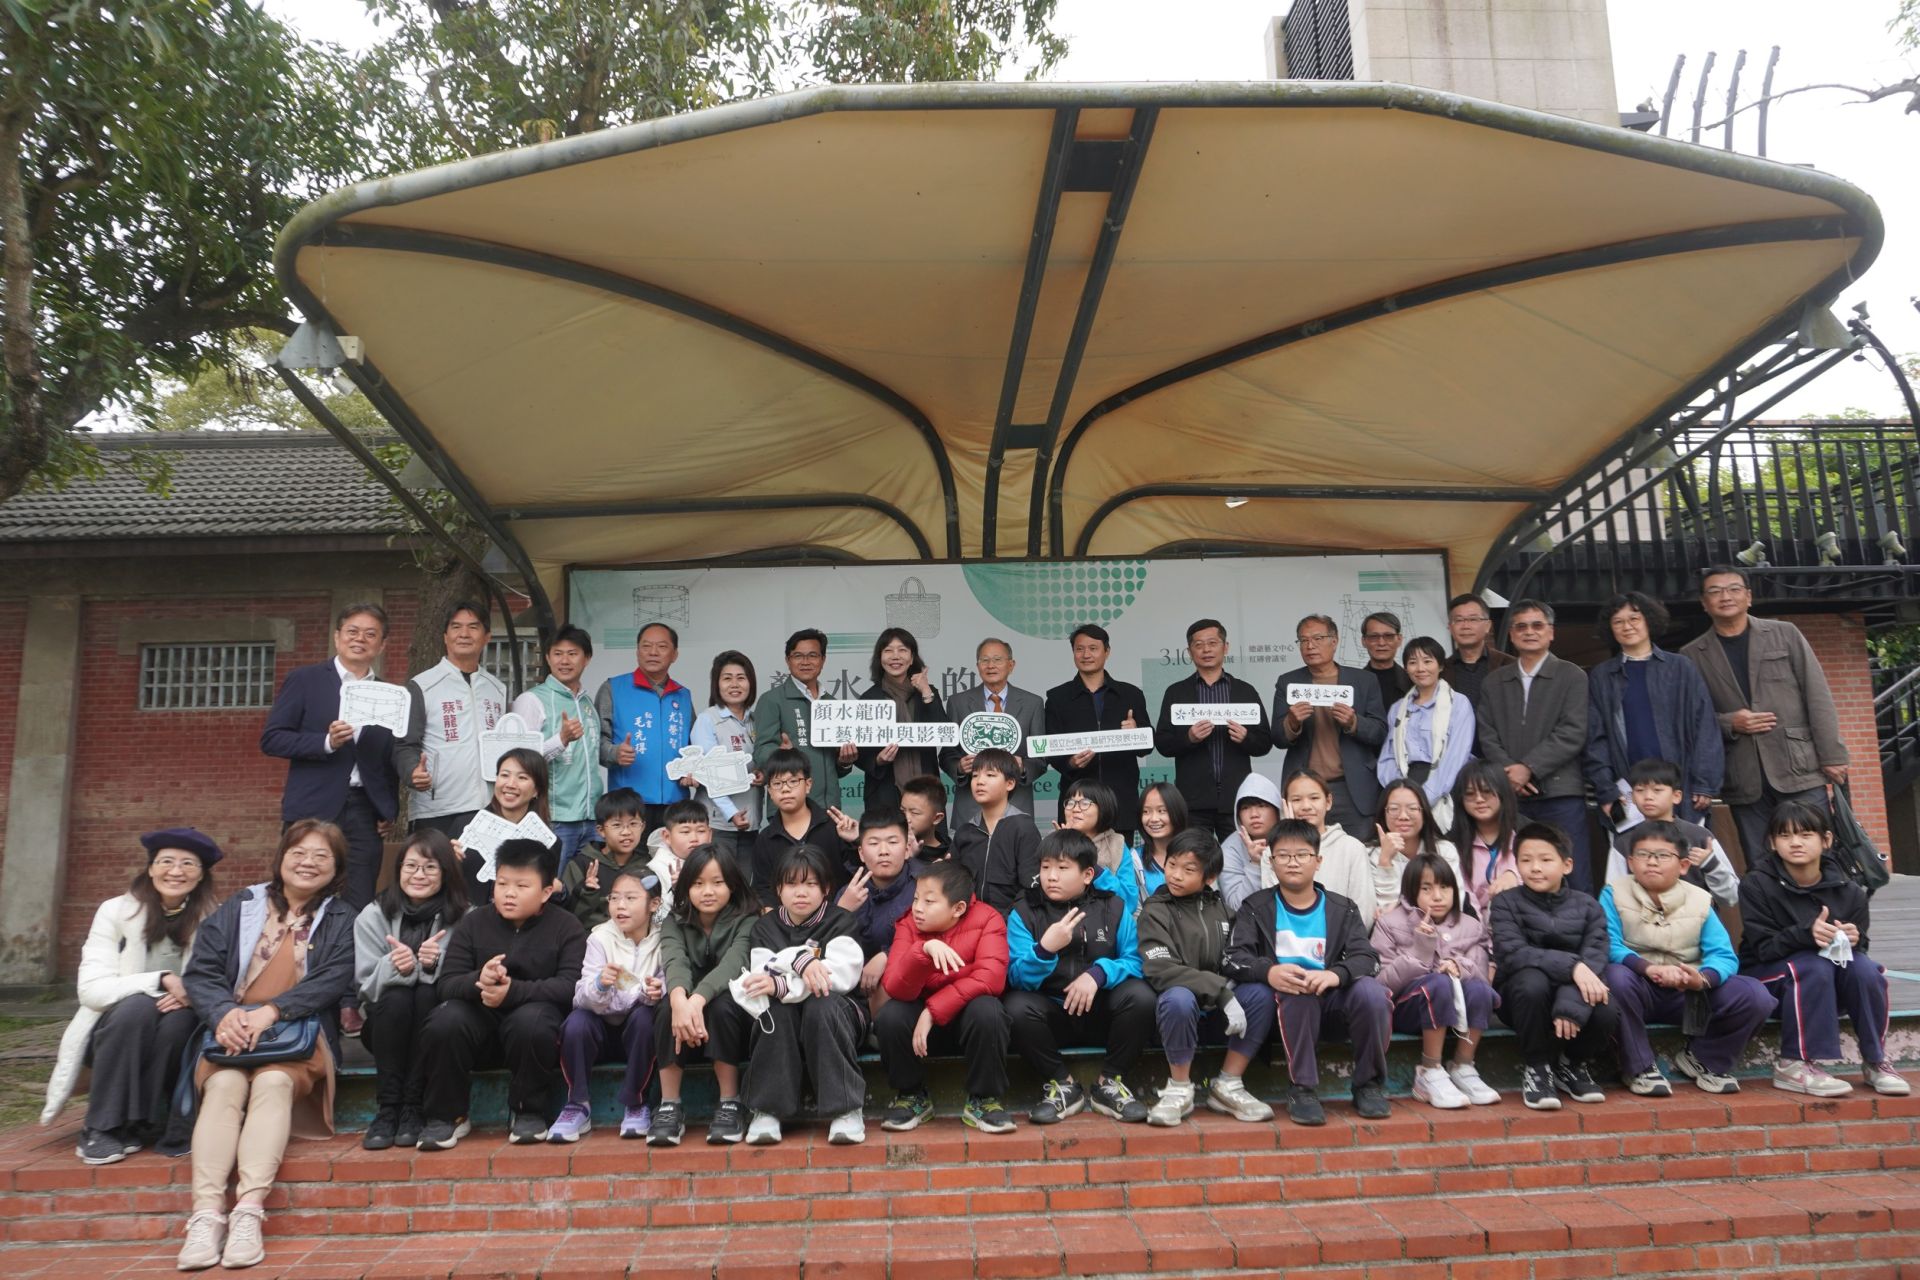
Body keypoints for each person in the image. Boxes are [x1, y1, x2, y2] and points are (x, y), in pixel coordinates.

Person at [175, 821, 354, 1272]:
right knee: (225, 1087)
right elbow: (201, 971)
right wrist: (223, 1014)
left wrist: (272, 1012)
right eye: (299, 852)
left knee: (273, 1083)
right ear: (281, 858)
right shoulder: (242, 905)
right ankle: (205, 1215)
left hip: (298, 1038)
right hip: (232, 1036)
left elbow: (334, 979)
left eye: (321, 856)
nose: (308, 862)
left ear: (336, 869)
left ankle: (248, 1212)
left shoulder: (342, 918)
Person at [45, 827, 221, 1164]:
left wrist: (192, 994)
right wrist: (163, 979)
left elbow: (222, 980)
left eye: (188, 864)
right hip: (116, 1027)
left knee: (178, 1022)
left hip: (179, 1024)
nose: (176, 871)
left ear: (201, 875)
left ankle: (142, 1122)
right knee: (137, 1008)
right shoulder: (115, 912)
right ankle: (102, 1126)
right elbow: (91, 990)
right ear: (150, 868)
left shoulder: (214, 918)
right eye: (166, 861)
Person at [416, 838, 586, 1151]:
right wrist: (478, 979)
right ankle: (447, 1115)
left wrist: (513, 992)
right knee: (444, 1019)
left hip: (532, 1029)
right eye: (502, 883)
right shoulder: (473, 922)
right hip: (479, 1023)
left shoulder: (567, 927)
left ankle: (528, 1111)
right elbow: (447, 983)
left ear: (546, 891)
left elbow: (571, 986)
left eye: (522, 886)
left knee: (532, 1020)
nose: (509, 893)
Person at [1223, 818, 1391, 1126]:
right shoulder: (1255, 907)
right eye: (1284, 856)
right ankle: (1302, 1089)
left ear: (1318, 861)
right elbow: (1232, 957)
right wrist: (1269, 972)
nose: (1293, 862)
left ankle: (1368, 1085)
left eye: (1302, 855)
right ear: (1271, 862)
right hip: (1283, 1010)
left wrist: (1335, 974)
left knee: (1371, 993)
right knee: (1297, 993)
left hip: (1334, 1002)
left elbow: (1368, 958)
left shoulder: (1343, 908)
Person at [1681, 566, 1849, 866]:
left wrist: (1832, 755)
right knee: (1761, 861)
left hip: (1798, 765)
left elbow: (1817, 694)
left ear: (1748, 597)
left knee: (1817, 853)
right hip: (1743, 773)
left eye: (1734, 589)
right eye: (1715, 591)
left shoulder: (1785, 634)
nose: (1725, 596)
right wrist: (1730, 722)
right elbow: (1691, 717)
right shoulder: (1692, 654)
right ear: (1704, 603)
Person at [1738, 801, 1907, 1098]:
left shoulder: (1849, 889)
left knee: (1866, 969)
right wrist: (1807, 934)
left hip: (1825, 986)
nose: (1795, 842)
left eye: (1805, 834)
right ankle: (1794, 1064)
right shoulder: (1756, 884)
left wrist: (1854, 939)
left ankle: (1876, 1060)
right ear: (1772, 842)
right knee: (1810, 966)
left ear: (1825, 840)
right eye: (1785, 835)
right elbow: (1763, 948)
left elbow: (1860, 949)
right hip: (1769, 981)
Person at [1602, 821, 1772, 1098]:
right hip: (1638, 989)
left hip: (1688, 993)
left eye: (1662, 855)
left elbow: (1723, 955)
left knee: (1755, 995)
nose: (1652, 862)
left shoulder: (1700, 900)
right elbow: (1608, 944)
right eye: (1643, 855)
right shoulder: (1613, 893)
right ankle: (1639, 1068)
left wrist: (1702, 979)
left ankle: (1705, 1059)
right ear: (1631, 862)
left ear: (1683, 865)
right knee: (1614, 976)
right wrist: (1648, 968)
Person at [1003, 830, 1154, 1124]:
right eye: (1045, 867)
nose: (1051, 876)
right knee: (1015, 1006)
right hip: (1052, 1015)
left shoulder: (1113, 907)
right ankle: (1063, 1085)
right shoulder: (1024, 910)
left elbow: (1136, 961)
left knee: (1141, 996)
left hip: (1101, 1012)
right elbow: (1016, 976)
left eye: (1062, 868)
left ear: (1087, 875)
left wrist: (1098, 973)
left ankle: (1109, 1083)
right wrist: (1044, 950)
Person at [260, 602, 402, 911]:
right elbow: (272, 739)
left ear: (382, 645)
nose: (360, 639)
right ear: (337, 637)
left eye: (370, 634)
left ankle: (347, 946)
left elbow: (388, 758)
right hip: (313, 805)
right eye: (352, 631)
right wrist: (326, 742)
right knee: (302, 894)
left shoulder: (389, 695)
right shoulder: (305, 680)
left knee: (359, 900)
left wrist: (388, 808)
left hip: (364, 811)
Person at [1136, 829, 1274, 1126]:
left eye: (1188, 870)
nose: (1175, 875)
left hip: (1220, 1017)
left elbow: (1237, 954)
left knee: (1260, 994)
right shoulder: (1155, 910)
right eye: (1172, 864)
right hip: (1176, 1017)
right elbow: (1162, 969)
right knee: (1178, 997)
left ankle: (1228, 1084)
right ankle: (1179, 1089)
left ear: (1209, 877)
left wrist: (1236, 979)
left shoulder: (1222, 909)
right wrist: (1222, 992)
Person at [739, 845, 869, 1145]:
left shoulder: (841, 921)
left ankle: (846, 1108)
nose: (801, 892)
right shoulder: (765, 927)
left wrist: (786, 980)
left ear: (826, 889)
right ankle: (768, 1110)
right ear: (778, 889)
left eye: (811, 884)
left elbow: (837, 979)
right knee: (775, 1010)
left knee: (820, 1004)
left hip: (838, 1013)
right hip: (785, 1018)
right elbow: (762, 977)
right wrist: (802, 962)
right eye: (792, 884)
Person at [875, 860, 1015, 1134]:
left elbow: (991, 978)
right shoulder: (908, 924)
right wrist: (923, 950)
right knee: (891, 1015)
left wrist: (932, 1011)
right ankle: (911, 1095)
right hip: (919, 1032)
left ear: (958, 908)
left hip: (966, 1021)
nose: (918, 908)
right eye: (916, 898)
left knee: (989, 1010)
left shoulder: (988, 919)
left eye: (929, 902)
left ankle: (984, 1100)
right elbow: (894, 986)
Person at [352, 829, 467, 1151]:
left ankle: (414, 1105)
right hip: (385, 1026)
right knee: (397, 997)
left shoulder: (463, 917)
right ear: (399, 868)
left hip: (434, 1026)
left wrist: (435, 965)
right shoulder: (373, 915)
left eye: (430, 867)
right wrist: (394, 967)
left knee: (427, 995)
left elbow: (463, 984)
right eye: (411, 866)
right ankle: (389, 1108)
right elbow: (364, 987)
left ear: (446, 872)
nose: (419, 875)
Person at [1489, 822, 1616, 1111]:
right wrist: (1573, 968)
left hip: (1572, 994)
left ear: (1567, 865)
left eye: (1545, 860)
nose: (1535, 868)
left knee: (1607, 1009)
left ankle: (1571, 1064)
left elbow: (1595, 957)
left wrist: (1570, 1001)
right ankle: (1537, 1067)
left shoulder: (1588, 905)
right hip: (1522, 998)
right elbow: (1512, 953)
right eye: (1526, 860)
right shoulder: (1505, 903)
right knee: (1532, 982)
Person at [1475, 599, 1593, 891]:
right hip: (1510, 795)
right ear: (1511, 634)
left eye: (1537, 625)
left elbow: (1573, 731)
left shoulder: (1572, 675)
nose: (1529, 632)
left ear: (1551, 632)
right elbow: (1486, 734)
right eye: (1521, 626)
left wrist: (1528, 768)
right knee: (1516, 873)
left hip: (1561, 793)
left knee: (1571, 871)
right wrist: (1509, 771)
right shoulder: (1494, 682)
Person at [1371, 851, 1501, 1109]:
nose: (1438, 896)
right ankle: (1429, 1071)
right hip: (1407, 1009)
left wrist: (1458, 966)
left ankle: (1463, 1066)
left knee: (1480, 990)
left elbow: (1481, 974)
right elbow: (1382, 984)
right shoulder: (1389, 923)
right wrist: (1420, 949)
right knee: (1438, 984)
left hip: (1456, 1011)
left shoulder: (1471, 925)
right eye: (1426, 888)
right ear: (1411, 891)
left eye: (1444, 887)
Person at [1585, 592, 1723, 829]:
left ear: (1649, 620)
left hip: (1681, 785)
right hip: (1625, 788)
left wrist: (1704, 783)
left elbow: (1704, 727)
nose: (1627, 626)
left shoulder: (1680, 667)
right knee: (1629, 849)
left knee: (1686, 847)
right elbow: (1595, 739)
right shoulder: (1602, 676)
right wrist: (1606, 790)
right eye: (1618, 621)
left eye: (1634, 619)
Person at [649, 844, 757, 1146]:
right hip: (688, 1031)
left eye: (717, 882)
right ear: (685, 887)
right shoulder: (675, 921)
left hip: (731, 1027)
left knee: (722, 1005)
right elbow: (675, 961)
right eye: (697, 884)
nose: (707, 891)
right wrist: (679, 1000)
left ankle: (730, 1103)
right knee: (667, 1008)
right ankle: (669, 1105)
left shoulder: (747, 920)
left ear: (732, 884)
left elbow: (734, 963)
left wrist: (696, 1001)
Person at [550, 867, 663, 1143]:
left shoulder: (664, 938)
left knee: (647, 1018)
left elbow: (668, 984)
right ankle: (577, 1105)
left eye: (631, 898)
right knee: (576, 1022)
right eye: (614, 898)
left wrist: (655, 991)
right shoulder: (599, 938)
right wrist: (600, 985)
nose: (620, 906)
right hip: (600, 1030)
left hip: (638, 1035)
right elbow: (580, 997)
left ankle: (636, 1103)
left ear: (654, 904)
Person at [396, 601, 507, 840]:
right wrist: (412, 771)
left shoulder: (497, 688)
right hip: (437, 809)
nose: (464, 634)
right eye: (456, 627)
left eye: (473, 627)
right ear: (445, 636)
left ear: (487, 637)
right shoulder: (422, 685)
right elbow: (405, 744)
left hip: (489, 806)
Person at [1155, 619, 1274, 837]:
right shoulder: (1176, 692)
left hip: (1237, 797)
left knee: (1241, 855)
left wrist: (1246, 738)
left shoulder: (1245, 691)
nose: (1206, 650)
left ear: (1225, 647)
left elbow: (1265, 742)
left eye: (1212, 643)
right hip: (1192, 799)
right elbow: (1162, 743)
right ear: (1189, 652)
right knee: (1194, 855)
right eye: (1199, 645)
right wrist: (1189, 738)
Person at [1275, 614, 1387, 832]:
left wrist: (1354, 722)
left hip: (1352, 786)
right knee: (1306, 848)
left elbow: (1380, 732)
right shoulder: (1288, 682)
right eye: (1304, 640)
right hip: (1306, 787)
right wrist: (1292, 722)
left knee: (1359, 848)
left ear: (1334, 642)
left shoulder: (1364, 680)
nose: (1310, 646)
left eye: (1318, 638)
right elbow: (1277, 738)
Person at [1044, 624, 1153, 839]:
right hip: (1076, 802)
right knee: (1075, 858)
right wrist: (1070, 763)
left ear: (1107, 651)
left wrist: (1137, 733)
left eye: (1093, 648)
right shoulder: (1058, 698)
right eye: (1080, 649)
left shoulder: (1130, 694)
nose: (1086, 655)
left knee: (1119, 859)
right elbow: (1050, 749)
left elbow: (1147, 747)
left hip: (1121, 799)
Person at [510, 625, 604, 870]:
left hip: (591, 818)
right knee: (550, 885)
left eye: (572, 654)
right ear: (547, 657)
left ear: (587, 658)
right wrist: (561, 740)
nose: (564, 661)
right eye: (558, 654)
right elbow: (518, 761)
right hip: (554, 818)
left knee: (586, 887)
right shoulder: (531, 700)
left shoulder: (586, 702)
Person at [596, 622, 696, 825]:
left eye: (662, 646)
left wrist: (694, 769)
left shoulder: (683, 695)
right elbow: (594, 740)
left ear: (674, 654)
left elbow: (693, 746)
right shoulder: (613, 688)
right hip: (628, 804)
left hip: (676, 803)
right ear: (637, 651)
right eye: (646, 646)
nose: (653, 652)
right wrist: (613, 753)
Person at [1601, 760, 1740, 907]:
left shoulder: (1700, 837)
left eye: (1657, 790)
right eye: (1640, 790)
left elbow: (1731, 897)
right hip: (1641, 919)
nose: (1648, 796)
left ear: (1676, 796)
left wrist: (1711, 865)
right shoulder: (1624, 843)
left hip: (1696, 917)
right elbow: (1612, 895)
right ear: (1633, 798)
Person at [947, 638, 1050, 828]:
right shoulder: (958, 702)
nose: (991, 665)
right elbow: (947, 754)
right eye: (984, 660)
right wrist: (960, 767)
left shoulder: (1033, 703)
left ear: (1011, 665)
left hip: (1017, 804)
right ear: (977, 666)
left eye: (997, 660)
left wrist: (1023, 766)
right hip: (971, 806)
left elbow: (1041, 759)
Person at [752, 629, 857, 811]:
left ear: (823, 660)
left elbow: (834, 768)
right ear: (788, 660)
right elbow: (761, 752)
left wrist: (844, 761)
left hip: (829, 808)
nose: (805, 662)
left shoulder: (832, 704)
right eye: (798, 656)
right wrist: (783, 757)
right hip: (789, 809)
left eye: (813, 655)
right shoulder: (772, 700)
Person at [1377, 636, 1474, 827]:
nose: (1420, 668)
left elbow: (1456, 755)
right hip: (1406, 784)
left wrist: (1425, 797)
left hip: (1447, 787)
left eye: (1428, 661)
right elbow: (1388, 756)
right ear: (1406, 668)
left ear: (1440, 666)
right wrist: (1400, 792)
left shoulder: (1458, 703)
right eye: (1413, 662)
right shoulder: (1398, 708)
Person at [858, 628, 952, 815]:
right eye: (888, 650)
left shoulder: (927, 693)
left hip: (927, 789)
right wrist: (878, 760)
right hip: (884, 792)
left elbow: (944, 734)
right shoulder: (869, 699)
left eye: (902, 650)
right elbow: (860, 752)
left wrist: (926, 692)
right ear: (880, 658)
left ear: (911, 658)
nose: (895, 656)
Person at [752, 750, 857, 908]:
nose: (785, 789)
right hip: (787, 920)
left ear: (808, 785)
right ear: (770, 792)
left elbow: (857, 874)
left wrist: (855, 841)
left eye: (793, 781)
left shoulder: (834, 827)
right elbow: (763, 890)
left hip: (837, 915)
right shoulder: (765, 839)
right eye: (777, 783)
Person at [838, 809, 919, 1013]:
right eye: (874, 843)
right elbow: (824, 948)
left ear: (907, 849)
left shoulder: (924, 888)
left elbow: (938, 939)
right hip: (853, 994)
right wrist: (841, 912)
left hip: (907, 994)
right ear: (861, 853)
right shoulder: (848, 893)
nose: (883, 851)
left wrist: (888, 956)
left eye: (892, 842)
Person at [952, 747, 1044, 914]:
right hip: (970, 920)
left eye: (990, 775)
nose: (980, 781)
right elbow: (956, 886)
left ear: (1010, 783)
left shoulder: (1023, 827)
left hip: (1011, 922)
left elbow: (1031, 887)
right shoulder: (965, 832)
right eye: (975, 775)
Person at [458, 747, 556, 899]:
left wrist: (560, 890)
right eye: (504, 775)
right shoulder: (465, 825)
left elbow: (545, 896)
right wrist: (446, 863)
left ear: (537, 790)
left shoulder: (548, 841)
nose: (510, 784)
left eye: (522, 777)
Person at [690, 650, 761, 859]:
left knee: (746, 880)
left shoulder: (756, 721)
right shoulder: (707, 720)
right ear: (717, 684)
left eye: (741, 678)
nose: (734, 684)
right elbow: (710, 774)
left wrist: (763, 773)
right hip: (717, 824)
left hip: (751, 823)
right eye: (727, 678)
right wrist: (731, 813)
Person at [1367, 780, 1462, 919]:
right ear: (1383, 813)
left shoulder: (1444, 851)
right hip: (1392, 931)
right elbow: (1384, 914)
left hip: (1440, 929)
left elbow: (1456, 904)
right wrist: (1385, 861)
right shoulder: (1368, 854)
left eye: (1412, 808)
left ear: (1424, 812)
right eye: (1394, 809)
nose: (1403, 816)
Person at [560, 788, 649, 930]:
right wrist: (587, 892)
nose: (626, 832)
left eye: (633, 824)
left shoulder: (648, 865)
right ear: (601, 830)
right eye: (617, 825)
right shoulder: (582, 864)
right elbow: (568, 916)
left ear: (643, 827)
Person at [1058, 778, 1143, 913]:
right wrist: (1064, 844)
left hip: (1107, 920)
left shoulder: (1117, 844)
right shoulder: (1055, 842)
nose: (1075, 809)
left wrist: (1093, 867)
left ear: (1103, 808)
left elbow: (1129, 901)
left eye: (1085, 803)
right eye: (1070, 803)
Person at [1451, 761, 1522, 918]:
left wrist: (1514, 875)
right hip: (1473, 925)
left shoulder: (1527, 833)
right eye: (1470, 794)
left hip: (1523, 921)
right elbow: (1462, 895)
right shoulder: (1452, 844)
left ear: (1503, 792)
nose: (1479, 799)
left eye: (1487, 791)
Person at [1217, 772, 1286, 913]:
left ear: (1277, 809)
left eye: (1262, 805)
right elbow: (1236, 906)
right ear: (1238, 815)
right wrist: (1255, 865)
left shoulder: (1295, 839)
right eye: (1245, 808)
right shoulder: (1229, 849)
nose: (1254, 814)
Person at [649, 799, 716, 923]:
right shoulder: (656, 870)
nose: (694, 838)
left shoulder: (716, 863)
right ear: (667, 836)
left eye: (701, 831)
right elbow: (658, 919)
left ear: (710, 834)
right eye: (685, 832)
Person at [1441, 593, 1513, 708]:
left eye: (1473, 619)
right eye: (1458, 620)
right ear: (1450, 627)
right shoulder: (1441, 670)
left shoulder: (1510, 665)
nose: (1466, 626)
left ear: (1488, 626)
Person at [1136, 782, 1189, 900]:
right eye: (1146, 811)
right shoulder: (1134, 858)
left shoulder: (1195, 854)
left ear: (1177, 812)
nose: (1153, 819)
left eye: (1162, 811)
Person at [1360, 611, 1413, 711]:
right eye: (1374, 637)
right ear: (1364, 641)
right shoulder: (1354, 683)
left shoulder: (1413, 682)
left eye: (1388, 636)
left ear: (1399, 640)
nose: (1381, 643)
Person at [900, 774, 953, 867]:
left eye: (915, 813)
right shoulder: (894, 848)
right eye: (902, 811)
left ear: (937, 818)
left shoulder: (950, 854)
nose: (906, 818)